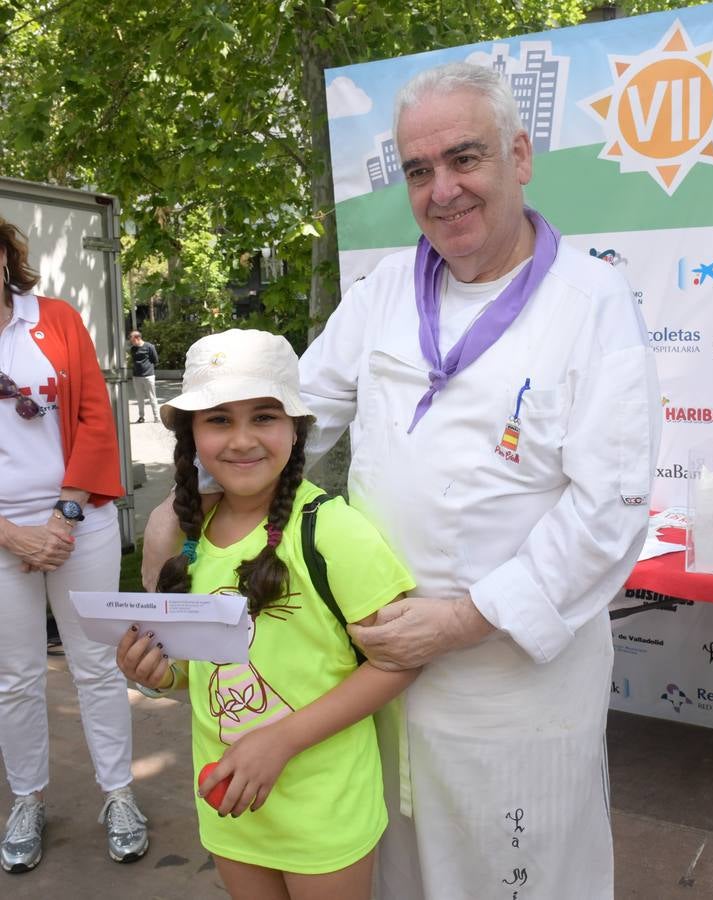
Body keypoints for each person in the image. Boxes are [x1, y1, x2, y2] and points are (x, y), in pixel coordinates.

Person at [142, 63, 661, 899]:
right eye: (419, 170)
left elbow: (609, 515)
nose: (443, 190)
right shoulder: (385, 289)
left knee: (517, 874)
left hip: (509, 682)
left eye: (465, 159)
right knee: (400, 870)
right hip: (375, 666)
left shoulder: (592, 303)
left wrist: (461, 621)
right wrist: (188, 510)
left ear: (520, 155)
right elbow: (289, 423)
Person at [117, 328, 418, 900]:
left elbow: (401, 662)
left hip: (323, 809)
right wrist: (158, 673)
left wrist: (280, 741)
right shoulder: (192, 539)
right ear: (191, 436)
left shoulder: (334, 532)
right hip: (229, 804)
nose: (242, 440)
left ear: (296, 429)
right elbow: (196, 673)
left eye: (264, 417)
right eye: (219, 420)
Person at [0, 218, 149, 874]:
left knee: (95, 664)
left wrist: (60, 520)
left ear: (6, 256)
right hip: (2, 533)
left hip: (77, 520)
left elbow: (93, 415)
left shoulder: (54, 319)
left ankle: (118, 794)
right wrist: (11, 534)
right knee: (14, 677)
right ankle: (26, 798)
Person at [129, 329, 160, 423]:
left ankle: (156, 417)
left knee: (152, 397)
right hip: (136, 376)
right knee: (139, 398)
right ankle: (141, 416)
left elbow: (155, 360)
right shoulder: (133, 349)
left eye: (132, 339)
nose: (131, 341)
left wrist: (148, 369)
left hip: (148, 376)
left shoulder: (149, 346)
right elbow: (133, 361)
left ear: (138, 338)